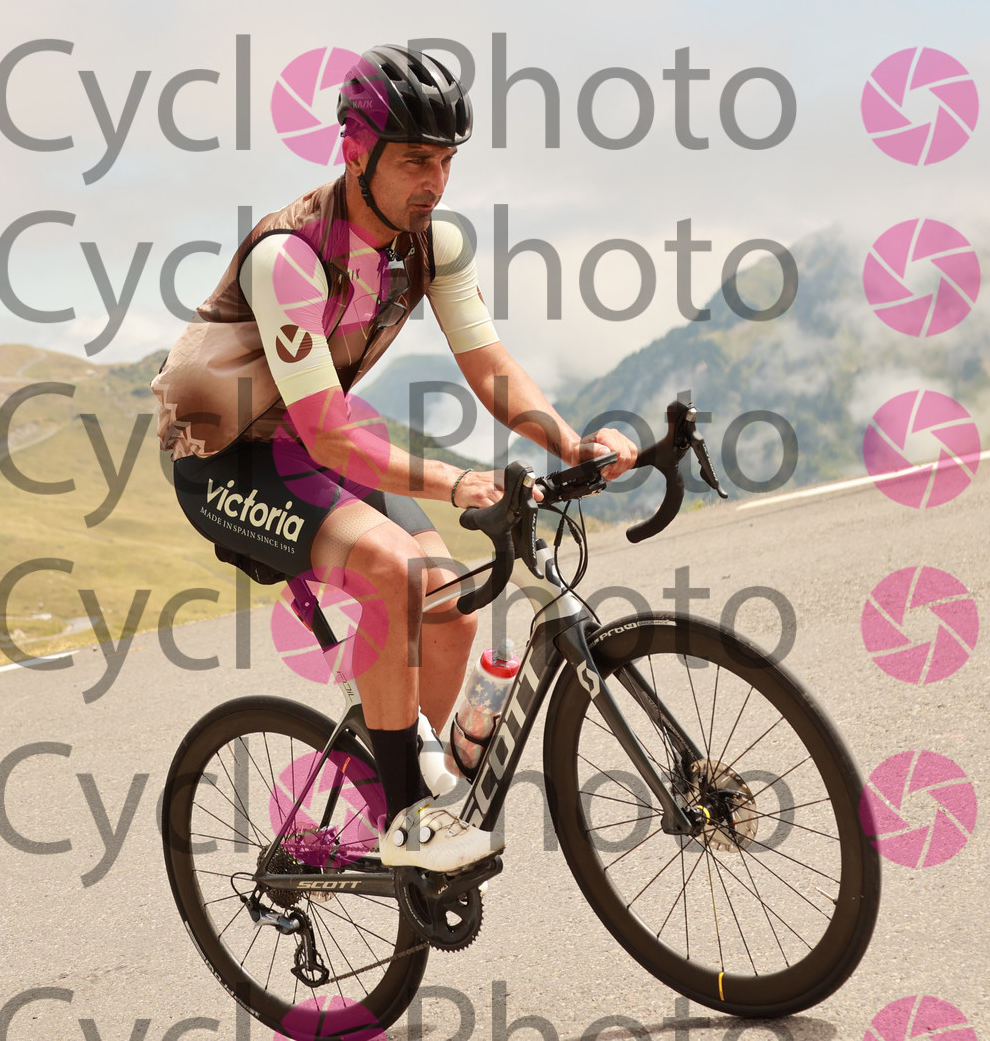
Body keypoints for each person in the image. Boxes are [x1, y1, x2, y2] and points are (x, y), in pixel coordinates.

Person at [151, 44, 638, 871]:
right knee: (394, 572)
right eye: (415, 160)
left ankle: (401, 799)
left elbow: (487, 362)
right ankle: (410, 818)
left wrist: (569, 440)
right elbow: (331, 434)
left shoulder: (431, 244)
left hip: (303, 438)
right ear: (355, 152)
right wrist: (455, 480)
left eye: (446, 161)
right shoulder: (290, 256)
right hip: (224, 457)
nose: (435, 182)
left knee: (452, 604)